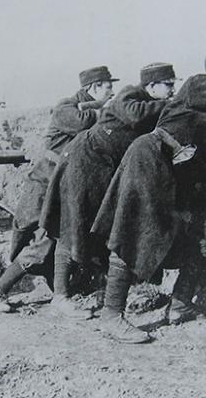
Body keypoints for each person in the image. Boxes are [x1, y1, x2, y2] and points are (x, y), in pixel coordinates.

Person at [40, 62, 177, 317]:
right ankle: (60, 298)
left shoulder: (150, 103)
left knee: (93, 226)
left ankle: (92, 288)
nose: (172, 90)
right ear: (151, 86)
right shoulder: (131, 93)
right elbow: (135, 114)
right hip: (86, 161)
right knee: (73, 225)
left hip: (103, 166)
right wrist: (172, 105)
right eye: (168, 85)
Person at [0, 66, 119, 312]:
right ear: (95, 87)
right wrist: (105, 109)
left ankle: (61, 291)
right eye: (108, 86)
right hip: (45, 187)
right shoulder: (66, 106)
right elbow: (84, 123)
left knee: (61, 240)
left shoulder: (90, 106)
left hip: (64, 186)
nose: (112, 90)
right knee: (42, 244)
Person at [92, 74, 206, 343]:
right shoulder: (198, 87)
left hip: (177, 169)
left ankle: (179, 305)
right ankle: (111, 316)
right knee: (134, 234)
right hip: (151, 160)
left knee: (196, 234)